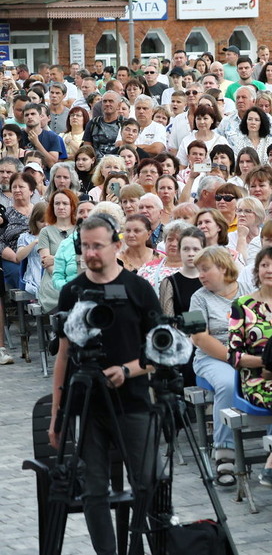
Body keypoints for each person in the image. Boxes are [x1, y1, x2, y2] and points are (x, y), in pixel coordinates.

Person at [49, 213, 161, 555]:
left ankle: (147, 547)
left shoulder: (137, 288)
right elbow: (63, 355)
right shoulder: (72, 291)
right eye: (85, 247)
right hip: (88, 405)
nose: (91, 253)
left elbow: (161, 350)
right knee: (94, 491)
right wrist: (57, 415)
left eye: (98, 246)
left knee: (148, 484)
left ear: (116, 245)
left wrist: (127, 370)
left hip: (134, 402)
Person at [190, 245, 251, 484]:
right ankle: (224, 452)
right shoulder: (198, 298)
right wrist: (233, 358)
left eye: (206, 269)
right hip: (212, 356)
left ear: (223, 267)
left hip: (248, 352)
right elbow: (199, 337)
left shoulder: (248, 290)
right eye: (199, 271)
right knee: (228, 383)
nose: (201, 275)